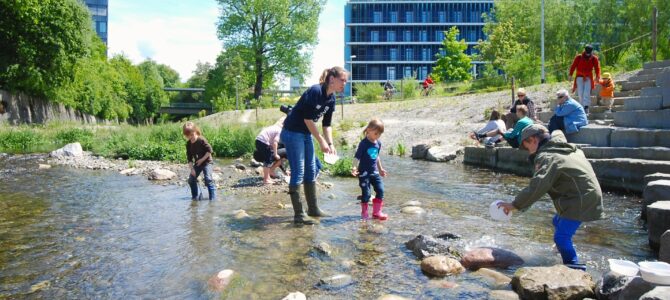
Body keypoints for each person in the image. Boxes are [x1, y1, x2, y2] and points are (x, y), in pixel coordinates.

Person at [497, 124, 604, 270]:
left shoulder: (548, 157)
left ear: (534, 140)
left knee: (561, 238)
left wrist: (515, 205)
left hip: (579, 200)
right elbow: (559, 131)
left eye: (526, 146)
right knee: (557, 220)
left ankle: (574, 268)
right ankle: (561, 249)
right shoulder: (564, 148)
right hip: (587, 195)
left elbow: (538, 186)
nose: (528, 151)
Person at [281, 66, 346, 224]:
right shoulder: (315, 91)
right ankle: (299, 215)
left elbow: (327, 125)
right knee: (299, 171)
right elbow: (307, 119)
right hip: (292, 132)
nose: (345, 83)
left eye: (346, 80)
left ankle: (313, 209)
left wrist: (330, 143)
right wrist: (321, 141)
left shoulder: (331, 99)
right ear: (331, 79)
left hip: (305, 133)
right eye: (342, 80)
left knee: (311, 170)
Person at [352, 119, 388, 221]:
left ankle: (377, 212)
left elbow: (377, 157)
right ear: (368, 130)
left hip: (375, 172)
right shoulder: (363, 144)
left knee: (380, 190)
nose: (377, 136)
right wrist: (354, 167)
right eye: (376, 133)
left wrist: (380, 169)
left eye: (379, 134)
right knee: (366, 194)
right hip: (364, 173)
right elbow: (357, 157)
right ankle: (364, 213)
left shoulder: (378, 143)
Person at [183, 122, 216, 201]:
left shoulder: (201, 140)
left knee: (208, 179)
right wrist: (192, 169)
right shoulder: (188, 144)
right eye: (188, 136)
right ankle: (195, 197)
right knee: (191, 179)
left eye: (192, 135)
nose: (191, 138)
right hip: (198, 163)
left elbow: (209, 151)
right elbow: (189, 158)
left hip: (207, 162)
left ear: (195, 131)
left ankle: (212, 199)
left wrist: (201, 160)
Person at [254, 117, 289, 185]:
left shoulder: (273, 127)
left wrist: (284, 170)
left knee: (268, 158)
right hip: (263, 142)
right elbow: (275, 143)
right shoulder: (279, 130)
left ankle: (268, 177)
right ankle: (266, 179)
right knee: (268, 159)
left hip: (259, 142)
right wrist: (275, 154)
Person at [569, 44, 601, 114]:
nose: (587, 54)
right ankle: (581, 107)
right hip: (579, 77)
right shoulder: (579, 57)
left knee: (587, 92)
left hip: (588, 77)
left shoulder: (594, 58)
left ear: (591, 52)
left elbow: (597, 68)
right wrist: (570, 74)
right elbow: (573, 66)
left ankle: (586, 107)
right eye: (586, 52)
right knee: (580, 93)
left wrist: (598, 76)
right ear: (584, 51)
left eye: (589, 53)